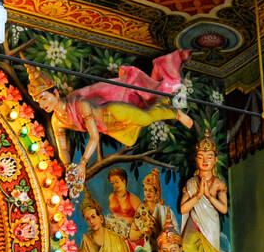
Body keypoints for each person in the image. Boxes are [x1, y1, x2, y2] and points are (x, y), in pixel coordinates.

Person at [29, 53, 194, 182]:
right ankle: (161, 105)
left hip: (114, 113)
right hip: (112, 129)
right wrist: (68, 167)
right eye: (38, 101)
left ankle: (175, 113)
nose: (42, 104)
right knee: (132, 139)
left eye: (44, 98)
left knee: (145, 118)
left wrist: (83, 163)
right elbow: (63, 148)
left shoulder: (80, 104)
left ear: (56, 93)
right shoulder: (57, 121)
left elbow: (94, 137)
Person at [179, 131, 229, 252]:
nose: (205, 161)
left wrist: (209, 195)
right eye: (201, 157)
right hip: (195, 221)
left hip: (210, 224)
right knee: (185, 245)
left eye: (209, 157)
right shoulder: (192, 183)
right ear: (196, 160)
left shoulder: (218, 183)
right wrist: (199, 195)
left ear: (215, 160)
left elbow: (223, 208)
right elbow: (183, 208)